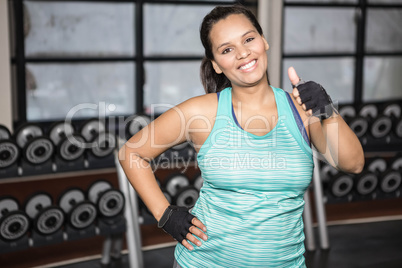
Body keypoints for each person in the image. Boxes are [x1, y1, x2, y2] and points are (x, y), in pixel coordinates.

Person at [119, 4, 364, 267]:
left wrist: (327, 111)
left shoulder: (301, 111)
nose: (243, 53)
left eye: (249, 39)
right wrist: (165, 215)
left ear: (264, 41)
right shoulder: (202, 112)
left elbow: (353, 163)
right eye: (227, 49)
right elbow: (131, 152)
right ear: (216, 64)